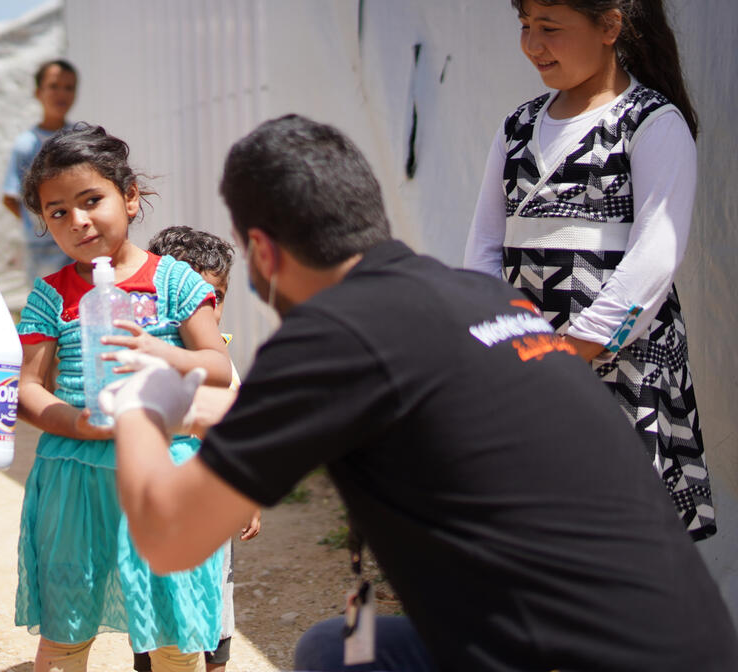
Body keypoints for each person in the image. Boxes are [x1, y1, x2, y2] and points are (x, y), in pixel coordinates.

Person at [101, 114, 738, 671]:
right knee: (341, 647)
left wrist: (138, 402)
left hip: (571, 657)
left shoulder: (336, 333)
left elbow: (170, 538)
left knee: (341, 650)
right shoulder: (481, 297)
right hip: (688, 642)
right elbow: (373, 409)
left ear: (262, 252)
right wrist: (195, 403)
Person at [464, 0, 714, 540]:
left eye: (550, 27)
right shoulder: (519, 126)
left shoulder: (651, 123)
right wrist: (497, 334)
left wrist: (579, 347)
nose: (533, 45)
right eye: (526, 25)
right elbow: (484, 246)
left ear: (610, 26)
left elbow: (655, 254)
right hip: (530, 360)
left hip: (621, 368)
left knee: (622, 529)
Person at [13, 124, 233, 672]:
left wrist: (168, 356)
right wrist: (81, 424)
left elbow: (217, 366)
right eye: (57, 212)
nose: (78, 221)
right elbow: (27, 389)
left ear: (129, 197)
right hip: (74, 477)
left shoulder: (176, 282)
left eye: (92, 200)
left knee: (172, 631)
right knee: (66, 625)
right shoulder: (51, 295)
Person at [134, 226, 261, 672]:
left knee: (214, 630)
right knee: (157, 629)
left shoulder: (221, 362)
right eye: (191, 297)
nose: (205, 308)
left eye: (216, 297)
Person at [2, 59, 78, 282]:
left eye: (69, 87)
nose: (61, 94)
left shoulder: (80, 139)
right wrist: (39, 222)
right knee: (47, 303)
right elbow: (10, 196)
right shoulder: (25, 145)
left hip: (78, 239)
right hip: (41, 248)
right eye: (53, 86)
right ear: (38, 92)